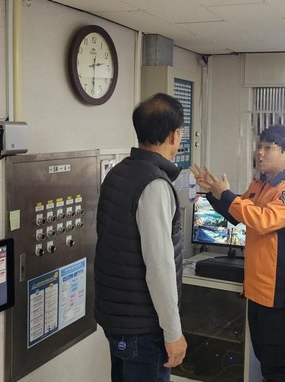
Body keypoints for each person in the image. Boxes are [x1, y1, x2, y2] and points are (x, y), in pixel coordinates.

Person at [192, 124, 285, 382]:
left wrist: (226, 194)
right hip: (256, 288)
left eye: (268, 148)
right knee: (263, 357)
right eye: (260, 147)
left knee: (277, 366)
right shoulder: (259, 185)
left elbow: (263, 220)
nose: (260, 153)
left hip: (277, 292)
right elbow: (238, 214)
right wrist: (213, 194)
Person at [94, 93, 187, 382]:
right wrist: (173, 332)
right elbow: (159, 267)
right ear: (174, 135)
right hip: (143, 325)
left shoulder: (119, 172)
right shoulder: (154, 185)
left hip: (118, 315)